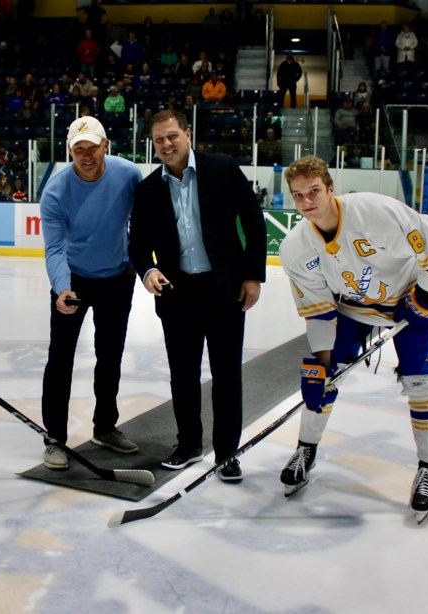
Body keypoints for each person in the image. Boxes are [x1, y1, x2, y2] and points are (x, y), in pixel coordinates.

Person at [278, 155, 428, 518]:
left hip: (411, 300)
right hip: (353, 308)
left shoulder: (378, 211)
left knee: (422, 385)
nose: (307, 202)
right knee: (322, 378)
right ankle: (306, 448)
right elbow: (319, 312)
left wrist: (426, 296)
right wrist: (324, 366)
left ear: (331, 188)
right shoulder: (296, 248)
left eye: (314, 191)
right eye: (298, 195)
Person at [127, 109, 267, 482]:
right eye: (159, 139)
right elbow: (137, 245)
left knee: (226, 376)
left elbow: (254, 222)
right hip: (178, 295)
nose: (166, 144)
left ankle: (227, 454)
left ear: (188, 134)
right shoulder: (148, 189)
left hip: (224, 291)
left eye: (172, 135)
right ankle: (189, 444)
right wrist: (148, 270)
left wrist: (253, 276)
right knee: (183, 376)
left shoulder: (222, 169)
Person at [38, 116, 143, 470]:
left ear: (106, 146)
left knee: (110, 353)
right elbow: (54, 249)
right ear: (70, 151)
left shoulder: (128, 174)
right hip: (74, 279)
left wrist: (134, 260)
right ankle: (54, 437)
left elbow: (142, 222)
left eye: (92, 148)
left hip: (117, 278)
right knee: (60, 358)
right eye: (78, 149)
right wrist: (62, 288)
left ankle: (105, 427)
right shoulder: (55, 191)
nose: (86, 155)